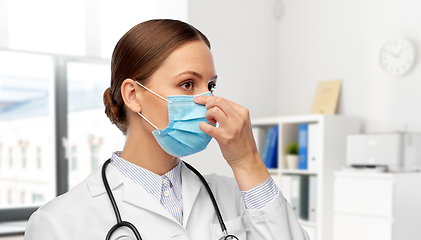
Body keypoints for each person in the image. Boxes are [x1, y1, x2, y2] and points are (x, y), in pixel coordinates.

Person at [25, 19, 309, 240]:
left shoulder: (236, 194)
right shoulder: (59, 221)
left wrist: (249, 163)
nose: (208, 100)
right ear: (134, 95)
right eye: (187, 84)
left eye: (210, 85)